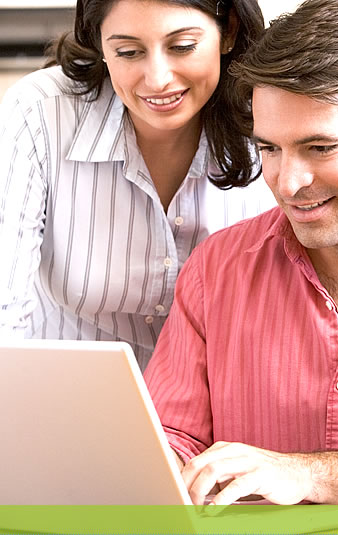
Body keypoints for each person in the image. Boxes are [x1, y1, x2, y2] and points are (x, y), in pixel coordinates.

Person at [144, 0, 338, 505]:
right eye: (269, 148)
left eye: (321, 148)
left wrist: (309, 475)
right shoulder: (217, 270)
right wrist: (165, 469)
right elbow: (173, 437)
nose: (289, 183)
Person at [0, 0, 275, 371]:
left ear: (229, 31)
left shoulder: (270, 120)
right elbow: (5, 305)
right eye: (128, 52)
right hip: (62, 401)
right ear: (100, 44)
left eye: (182, 47)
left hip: (211, 413)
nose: (157, 78)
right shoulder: (40, 113)